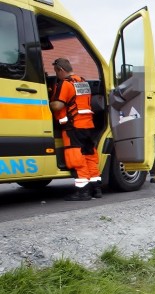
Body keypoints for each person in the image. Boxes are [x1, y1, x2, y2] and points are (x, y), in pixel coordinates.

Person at [49, 58, 101, 201]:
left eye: (56, 72)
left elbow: (58, 106)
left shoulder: (65, 83)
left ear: (60, 70)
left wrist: (48, 102)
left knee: (76, 159)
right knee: (89, 157)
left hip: (73, 127)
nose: (57, 75)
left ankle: (82, 192)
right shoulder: (83, 82)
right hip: (88, 125)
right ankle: (96, 189)